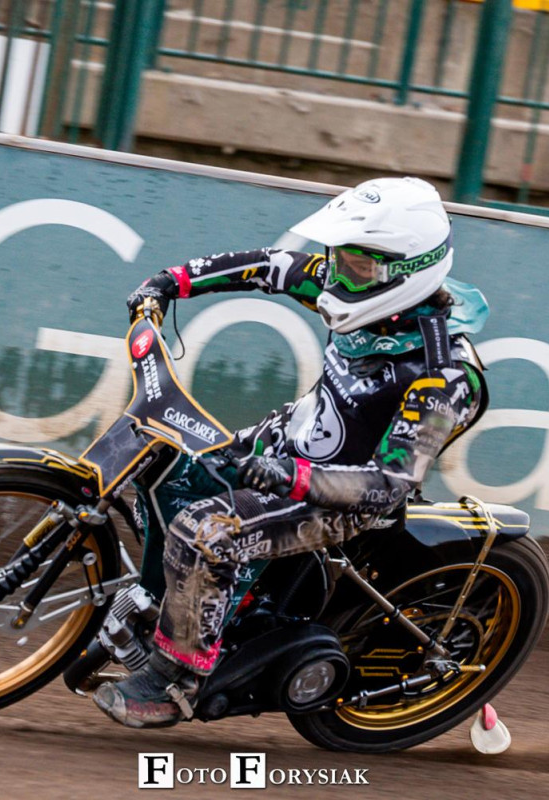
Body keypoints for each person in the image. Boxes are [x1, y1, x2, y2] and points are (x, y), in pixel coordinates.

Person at [92, 176, 490, 728]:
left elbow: (389, 484)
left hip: (343, 499)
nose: (336, 274)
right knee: (163, 472)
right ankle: (199, 602)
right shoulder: (355, 284)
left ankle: (176, 679)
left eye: (355, 265)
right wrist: (170, 282)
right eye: (338, 256)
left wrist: (288, 476)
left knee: (205, 533)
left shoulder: (446, 375)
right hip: (288, 442)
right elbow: (270, 265)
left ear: (405, 272)